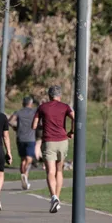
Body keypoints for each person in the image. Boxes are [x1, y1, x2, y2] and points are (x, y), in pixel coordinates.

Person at [32, 85, 74, 213]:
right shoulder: (65, 106)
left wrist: (43, 122)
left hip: (49, 141)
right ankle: (57, 198)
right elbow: (75, 117)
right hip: (62, 141)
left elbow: (34, 125)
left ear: (49, 96)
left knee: (50, 171)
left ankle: (54, 197)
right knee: (59, 170)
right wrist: (71, 131)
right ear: (60, 95)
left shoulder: (42, 107)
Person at [9, 95, 38, 190]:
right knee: (29, 159)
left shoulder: (18, 112)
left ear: (23, 103)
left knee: (23, 159)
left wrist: (15, 128)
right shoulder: (34, 112)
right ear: (31, 103)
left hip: (20, 138)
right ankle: (24, 174)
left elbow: (10, 121)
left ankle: (24, 179)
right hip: (30, 138)